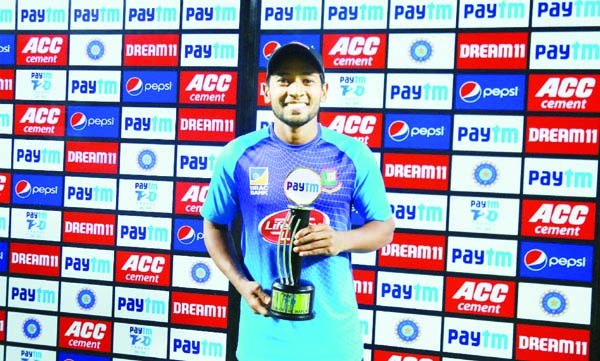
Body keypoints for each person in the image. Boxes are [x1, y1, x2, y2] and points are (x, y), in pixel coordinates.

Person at [201, 42, 395, 361]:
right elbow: (214, 224)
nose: (296, 90)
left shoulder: (354, 155)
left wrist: (340, 240)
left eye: (307, 80)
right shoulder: (237, 155)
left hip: (334, 345)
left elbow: (384, 228)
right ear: (266, 91)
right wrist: (240, 282)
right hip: (262, 344)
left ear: (324, 90)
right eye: (284, 79)